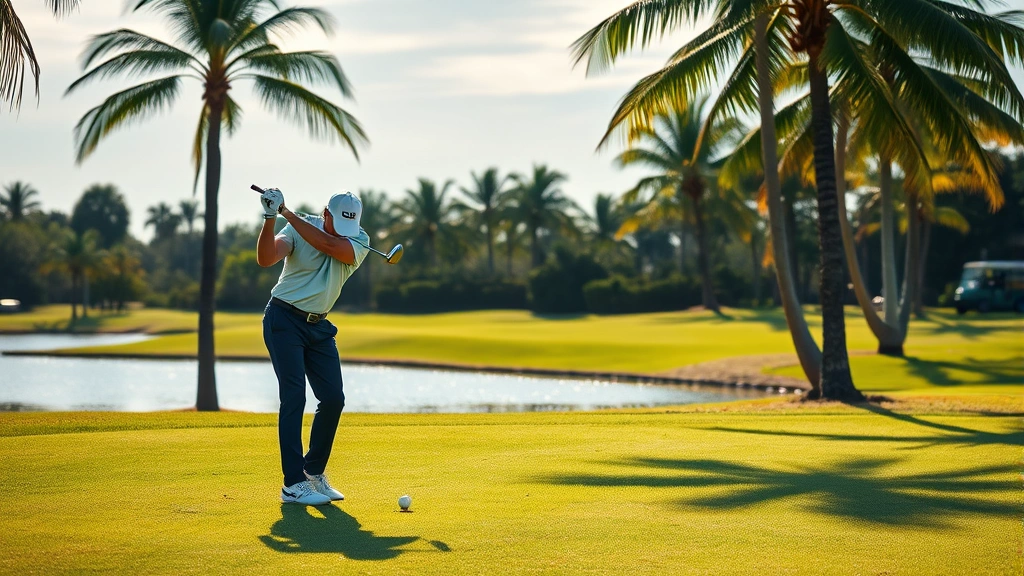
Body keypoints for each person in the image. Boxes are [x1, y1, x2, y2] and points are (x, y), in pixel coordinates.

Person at [256, 187, 370, 506]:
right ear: (326, 214)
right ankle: (293, 483)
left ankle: (313, 473)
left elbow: (330, 246)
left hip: (318, 325)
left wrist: (287, 213)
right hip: (283, 318)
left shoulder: (359, 241)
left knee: (333, 398)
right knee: (294, 395)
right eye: (337, 223)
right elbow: (266, 259)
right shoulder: (295, 227)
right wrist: (269, 218)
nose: (345, 232)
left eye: (350, 227)